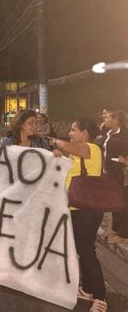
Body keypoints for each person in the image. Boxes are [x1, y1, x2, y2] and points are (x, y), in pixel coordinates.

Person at [48, 119, 107, 312]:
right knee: (83, 250)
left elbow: (69, 147)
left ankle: (100, 298)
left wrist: (56, 142)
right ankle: (88, 289)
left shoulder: (93, 149)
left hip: (88, 211)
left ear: (85, 132)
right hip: (76, 209)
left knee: (87, 252)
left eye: (74, 130)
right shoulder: (77, 156)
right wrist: (58, 156)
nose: (70, 133)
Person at [101, 110, 128, 244]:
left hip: (121, 172)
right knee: (115, 201)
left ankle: (124, 234)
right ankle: (116, 228)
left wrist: (124, 158)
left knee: (123, 202)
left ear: (116, 119)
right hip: (110, 172)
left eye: (107, 117)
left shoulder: (124, 134)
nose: (104, 118)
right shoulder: (108, 133)